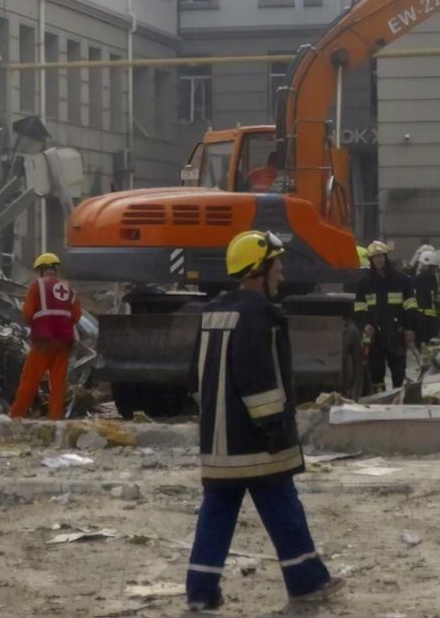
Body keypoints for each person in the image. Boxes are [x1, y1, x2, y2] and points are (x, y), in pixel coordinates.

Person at [186, 231, 342, 611]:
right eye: (277, 263)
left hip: (219, 441)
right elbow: (259, 379)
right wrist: (275, 429)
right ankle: (307, 581)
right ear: (260, 268)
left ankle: (200, 592)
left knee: (217, 513)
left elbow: (195, 379)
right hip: (256, 441)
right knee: (283, 505)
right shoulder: (260, 316)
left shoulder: (212, 312)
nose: (282, 272)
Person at [9, 252, 80, 421]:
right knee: (58, 381)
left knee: (30, 379)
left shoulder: (36, 286)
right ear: (55, 268)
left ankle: (16, 415)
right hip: (64, 341)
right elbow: (76, 316)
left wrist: (35, 324)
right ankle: (55, 417)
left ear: (41, 270)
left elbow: (27, 314)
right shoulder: (68, 287)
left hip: (43, 340)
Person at [355, 241, 415, 389]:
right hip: (375, 335)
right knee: (376, 372)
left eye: (380, 256)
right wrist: (365, 325)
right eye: (374, 257)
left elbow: (411, 307)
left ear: (386, 257)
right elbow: (360, 308)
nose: (378, 260)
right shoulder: (365, 283)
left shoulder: (401, 281)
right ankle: (379, 401)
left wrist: (410, 328)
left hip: (397, 333)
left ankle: (397, 399)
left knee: (398, 372)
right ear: (370, 260)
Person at [407, 248, 440, 347]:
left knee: (422, 347)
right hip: (434, 318)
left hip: (422, 318)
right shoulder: (436, 279)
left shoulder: (420, 279)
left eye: (421, 264)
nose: (420, 266)